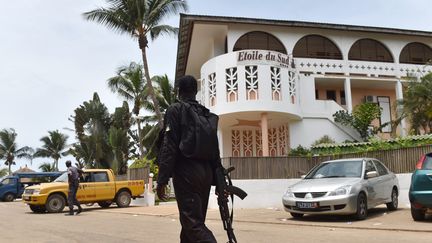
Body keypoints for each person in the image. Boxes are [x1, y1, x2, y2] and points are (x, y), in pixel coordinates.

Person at [156, 75, 219, 243]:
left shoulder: (175, 110)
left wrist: (161, 180)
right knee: (191, 225)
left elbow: (169, 147)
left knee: (192, 224)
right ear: (195, 91)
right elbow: (215, 151)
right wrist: (220, 182)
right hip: (206, 174)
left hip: (186, 173)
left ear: (179, 91)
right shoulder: (206, 115)